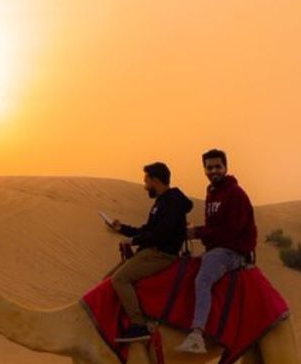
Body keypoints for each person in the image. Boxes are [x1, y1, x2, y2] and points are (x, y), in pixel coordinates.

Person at [177, 149, 257, 353]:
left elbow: (230, 230)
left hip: (231, 252)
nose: (214, 171)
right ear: (204, 169)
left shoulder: (235, 194)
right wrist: (198, 232)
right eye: (209, 167)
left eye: (217, 167)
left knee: (202, 280)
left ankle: (197, 334)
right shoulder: (213, 193)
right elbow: (213, 227)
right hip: (217, 249)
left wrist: (197, 232)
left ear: (226, 167)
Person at [106, 162, 194, 342]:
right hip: (151, 251)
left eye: (146, 181)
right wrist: (122, 228)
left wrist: (134, 241)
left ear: (155, 180)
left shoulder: (173, 202)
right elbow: (148, 230)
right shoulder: (161, 202)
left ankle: (138, 325)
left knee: (120, 279)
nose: (145, 186)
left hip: (162, 254)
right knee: (108, 279)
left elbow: (162, 232)